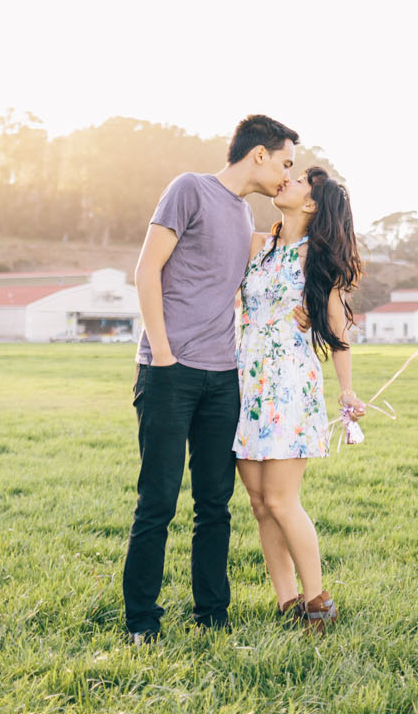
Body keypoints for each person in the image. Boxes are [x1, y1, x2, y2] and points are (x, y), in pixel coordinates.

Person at [122, 114, 298, 643]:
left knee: (214, 504)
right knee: (157, 500)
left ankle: (211, 615)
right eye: (285, 163)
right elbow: (146, 269)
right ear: (259, 154)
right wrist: (165, 353)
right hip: (169, 371)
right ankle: (141, 621)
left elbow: (281, 264)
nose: (287, 175)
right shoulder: (189, 190)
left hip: (224, 379)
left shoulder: (245, 217)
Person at [233, 165, 365, 633]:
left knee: (282, 499)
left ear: (311, 205)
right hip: (246, 384)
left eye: (299, 182)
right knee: (258, 501)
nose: (285, 181)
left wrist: (347, 391)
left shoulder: (316, 259)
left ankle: (318, 602)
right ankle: (286, 600)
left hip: (289, 387)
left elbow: (339, 328)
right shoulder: (257, 246)